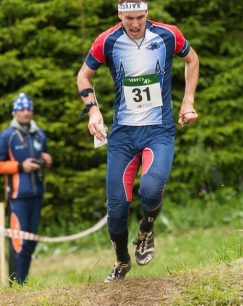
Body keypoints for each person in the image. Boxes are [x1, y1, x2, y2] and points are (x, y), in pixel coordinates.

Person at [77, 0, 199, 283]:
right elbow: (84, 75)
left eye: (140, 17)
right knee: (117, 210)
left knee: (151, 189)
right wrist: (93, 110)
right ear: (119, 13)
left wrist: (188, 101)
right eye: (128, 18)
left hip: (159, 131)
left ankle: (147, 228)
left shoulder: (168, 35)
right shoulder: (107, 41)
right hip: (123, 137)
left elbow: (192, 59)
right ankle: (121, 260)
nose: (134, 24)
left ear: (148, 13)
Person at [0, 93, 52, 284]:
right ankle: (16, 286)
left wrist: (47, 162)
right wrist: (21, 166)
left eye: (29, 109)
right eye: (22, 109)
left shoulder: (39, 135)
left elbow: (44, 162)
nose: (26, 112)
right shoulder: (7, 136)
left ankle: (24, 284)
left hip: (36, 195)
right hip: (17, 197)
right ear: (15, 112)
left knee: (30, 242)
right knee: (18, 243)